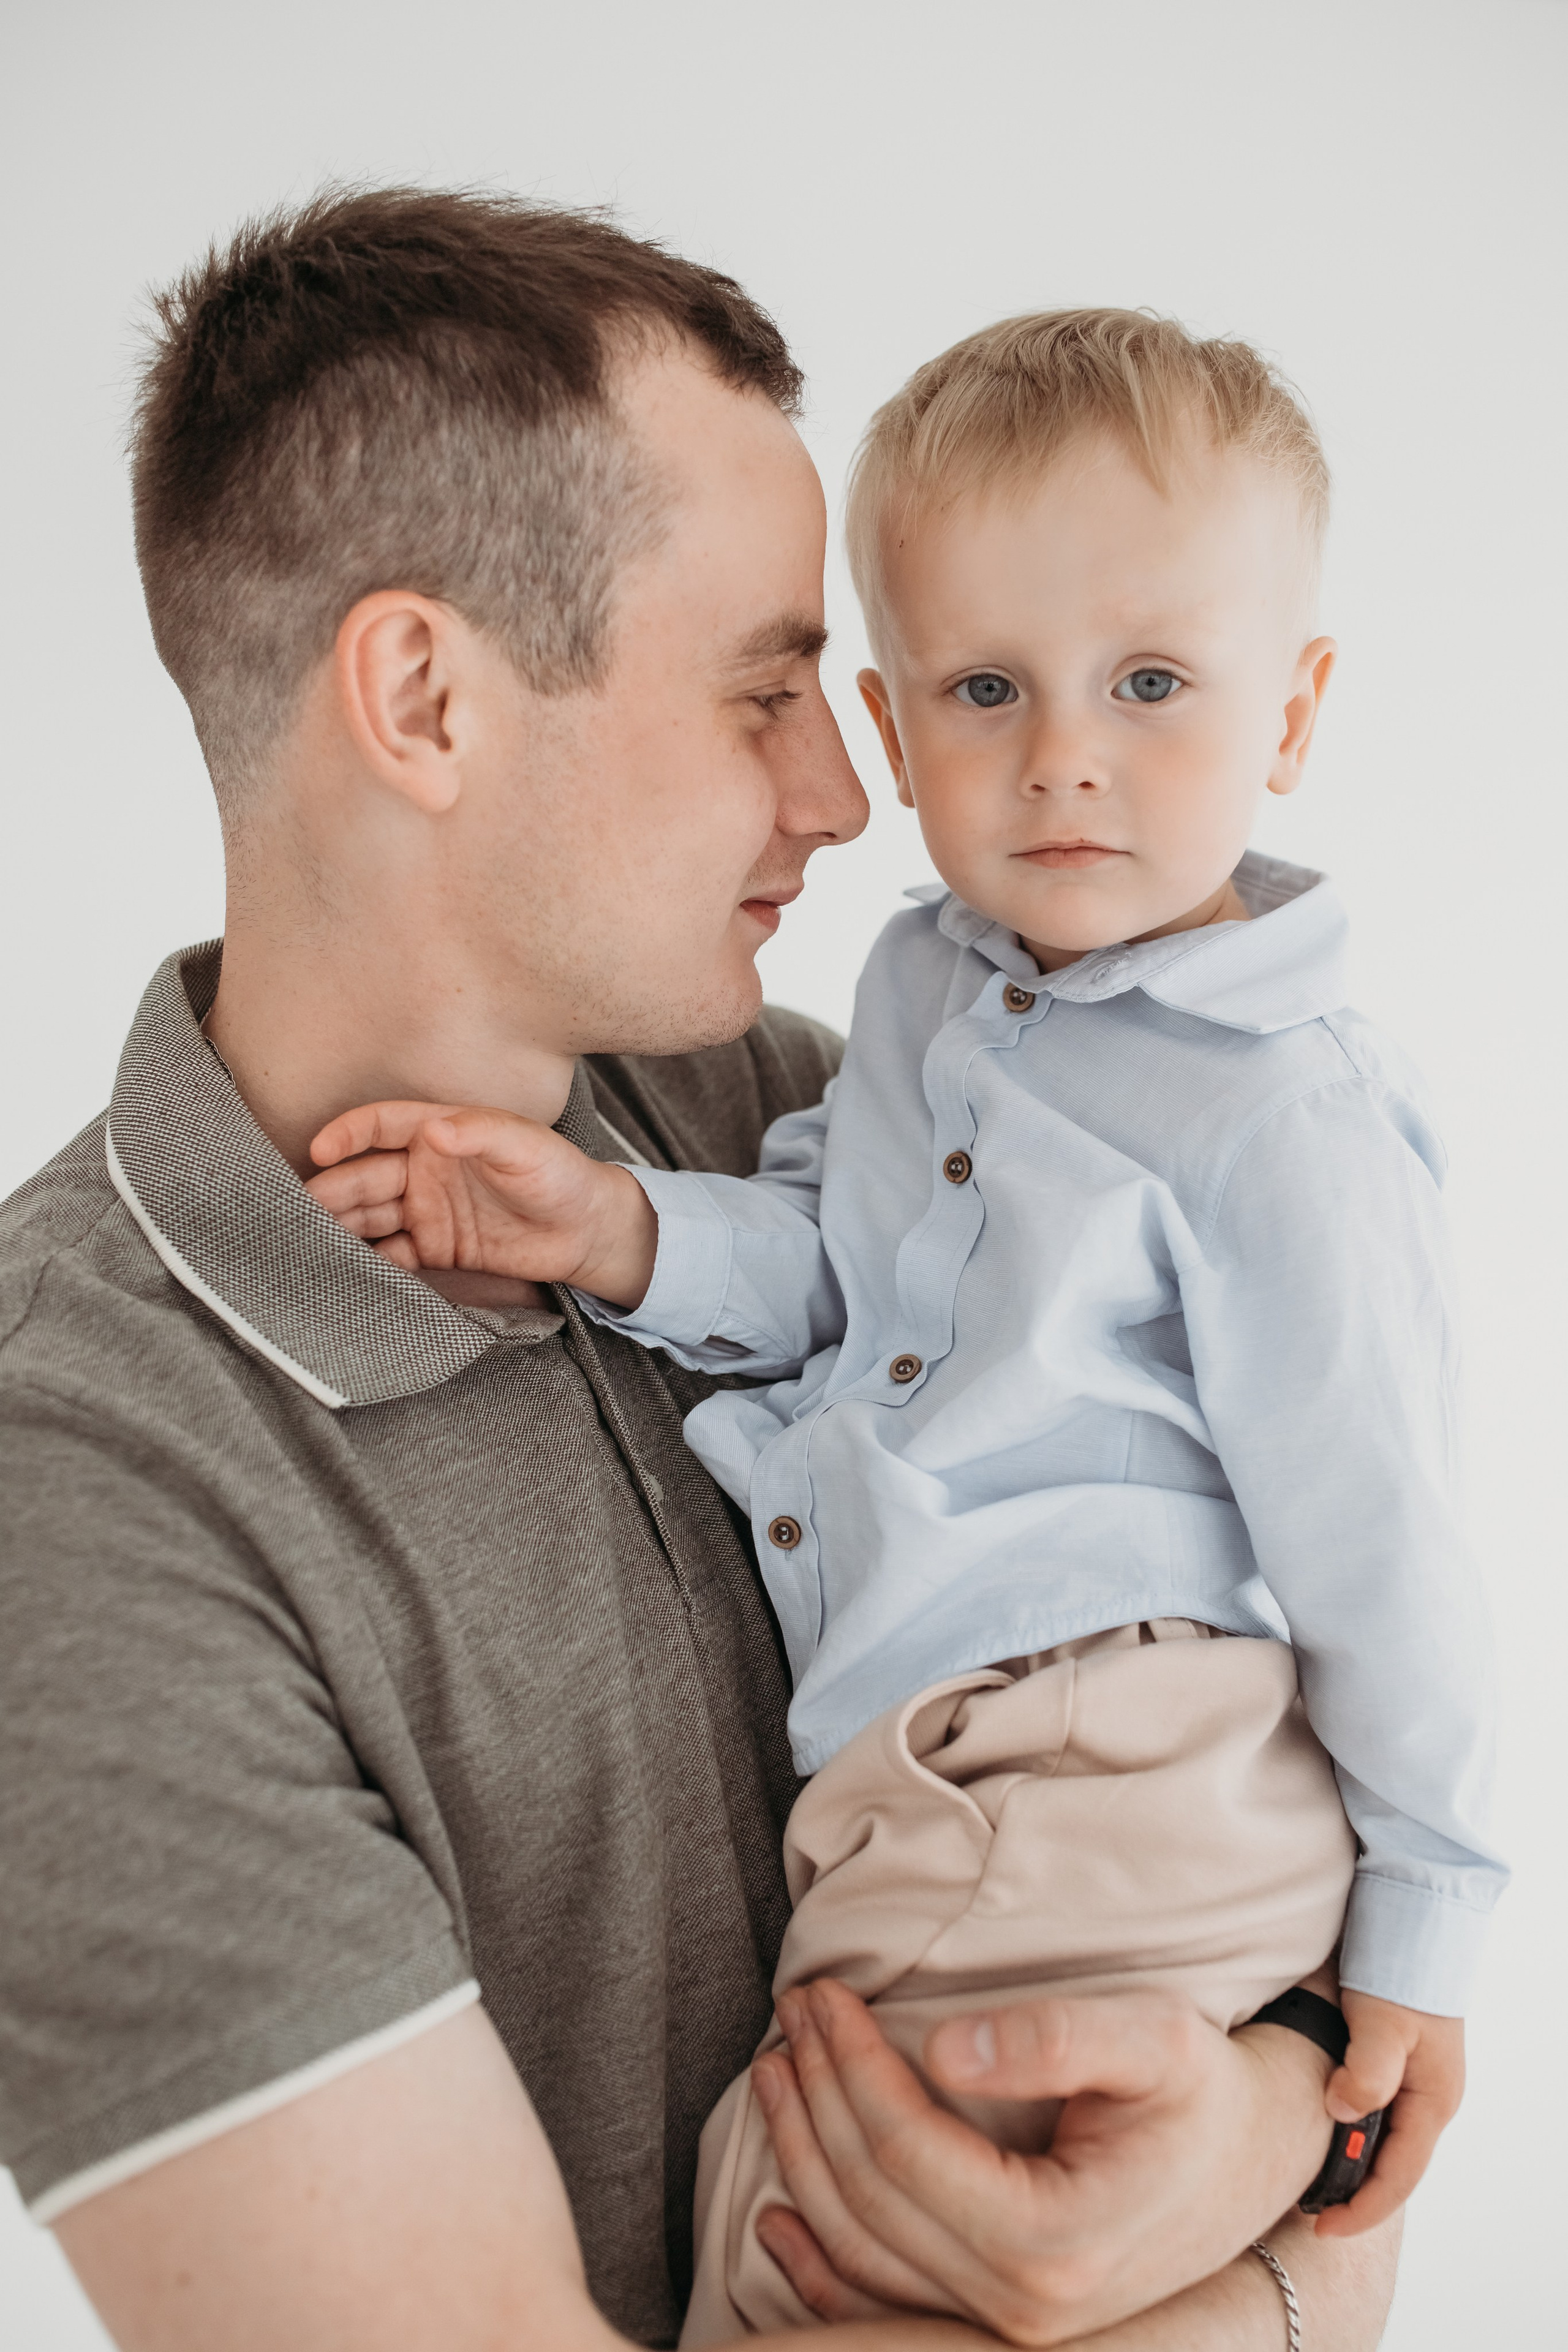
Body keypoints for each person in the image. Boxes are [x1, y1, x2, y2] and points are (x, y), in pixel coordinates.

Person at [0, 196, 1398, 2351]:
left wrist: (1273, 2113)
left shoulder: (811, 1121)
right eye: (764, 688)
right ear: (425, 700)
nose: (853, 793)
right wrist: (1260, 2286)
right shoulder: (68, 1492)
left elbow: (1256, 1789)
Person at [303, 311, 1506, 2340]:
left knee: (799, 2249)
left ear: (1290, 713)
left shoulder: (1276, 1106)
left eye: (1150, 684)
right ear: (891, 714)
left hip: (1081, 1771)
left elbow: (1385, 1542)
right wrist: (610, 1227)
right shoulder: (933, 991)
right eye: (983, 688)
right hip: (949, 1781)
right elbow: (847, 1282)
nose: (1062, 757)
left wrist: (1425, 1938)